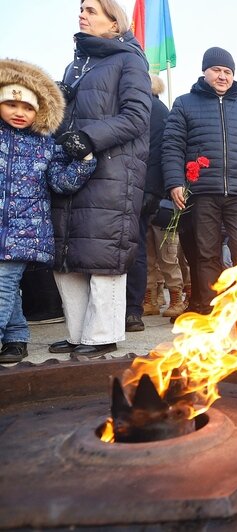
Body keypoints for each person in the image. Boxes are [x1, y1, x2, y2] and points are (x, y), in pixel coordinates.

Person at [49, 0, 151, 359]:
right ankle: (79, 333)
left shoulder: (130, 60)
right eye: (81, 8)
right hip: (71, 170)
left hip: (112, 172)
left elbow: (137, 116)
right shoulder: (74, 66)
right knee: (68, 252)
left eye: (91, 9)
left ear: (114, 22)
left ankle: (103, 333)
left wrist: (89, 138)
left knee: (103, 253)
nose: (82, 14)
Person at [162, 46, 237, 315]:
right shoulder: (184, 103)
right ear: (204, 71)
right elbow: (172, 146)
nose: (222, 76)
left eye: (228, 72)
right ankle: (213, 311)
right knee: (206, 254)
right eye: (217, 70)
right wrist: (175, 182)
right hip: (202, 192)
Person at [0, 59, 97, 364]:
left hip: (24, 232)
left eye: (27, 107)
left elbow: (62, 182)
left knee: (3, 283)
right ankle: (16, 337)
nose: (19, 112)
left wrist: (84, 161)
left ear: (39, 111)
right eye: (10, 103)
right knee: (8, 286)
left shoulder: (46, 145)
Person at [124, 73, 175, 332]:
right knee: (138, 250)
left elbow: (161, 152)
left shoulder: (156, 109)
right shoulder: (127, 104)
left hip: (140, 189)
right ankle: (133, 308)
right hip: (127, 188)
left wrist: (153, 191)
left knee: (138, 250)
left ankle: (133, 309)